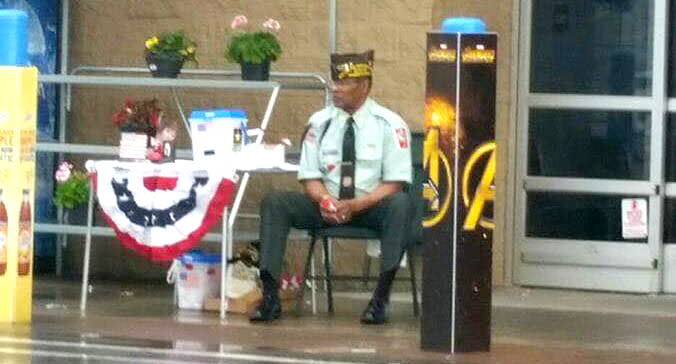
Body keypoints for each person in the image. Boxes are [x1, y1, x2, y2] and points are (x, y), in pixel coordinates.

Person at [249, 50, 413, 325]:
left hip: (370, 206)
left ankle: (380, 299)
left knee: (402, 204)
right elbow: (309, 176)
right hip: (326, 206)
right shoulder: (319, 122)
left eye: (343, 83)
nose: (334, 88)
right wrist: (325, 200)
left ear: (364, 86)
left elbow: (394, 183)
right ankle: (269, 296)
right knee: (275, 201)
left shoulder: (390, 124)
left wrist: (357, 205)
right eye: (334, 81)